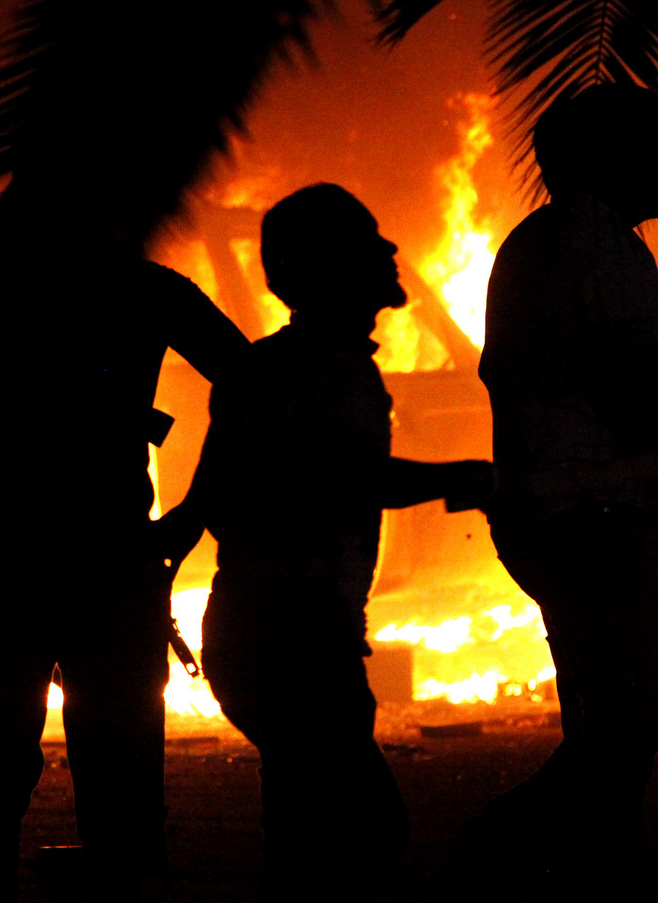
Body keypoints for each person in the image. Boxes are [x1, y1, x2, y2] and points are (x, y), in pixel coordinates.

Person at [160, 183, 493, 901]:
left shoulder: (266, 367)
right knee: (366, 829)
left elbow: (209, 490)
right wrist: (461, 475)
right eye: (368, 238)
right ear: (331, 266)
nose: (391, 249)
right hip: (297, 636)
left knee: (306, 824)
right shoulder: (328, 368)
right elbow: (349, 475)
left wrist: (172, 544)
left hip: (260, 630)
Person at [441, 83, 658, 893]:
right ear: (603, 159)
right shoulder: (600, 243)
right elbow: (632, 368)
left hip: (565, 512)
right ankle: (494, 855)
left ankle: (604, 862)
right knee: (644, 701)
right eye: (655, 145)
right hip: (593, 517)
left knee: (616, 707)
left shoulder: (546, 241)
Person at [0, 176, 250, 900]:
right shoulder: (144, 290)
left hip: (12, 556)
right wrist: (191, 514)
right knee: (116, 765)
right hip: (103, 556)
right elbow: (249, 383)